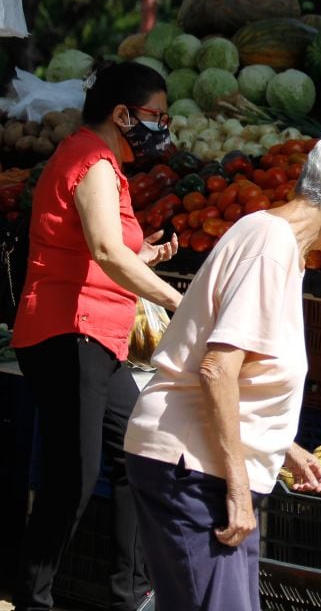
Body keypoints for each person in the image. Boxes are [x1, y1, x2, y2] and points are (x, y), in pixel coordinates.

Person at [123, 126, 321, 610]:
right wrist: (236, 489)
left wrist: (284, 448)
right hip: (195, 468)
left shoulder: (274, 245)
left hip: (195, 462)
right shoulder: (270, 248)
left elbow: (241, 373)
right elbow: (217, 369)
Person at [11, 61, 184, 611]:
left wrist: (145, 255)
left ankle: (129, 593)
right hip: (70, 333)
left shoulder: (101, 160)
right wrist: (173, 298)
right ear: (121, 114)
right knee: (73, 481)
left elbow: (103, 247)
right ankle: (33, 599)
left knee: (141, 454)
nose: (163, 126)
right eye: (157, 115)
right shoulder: (91, 160)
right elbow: (106, 253)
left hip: (98, 338)